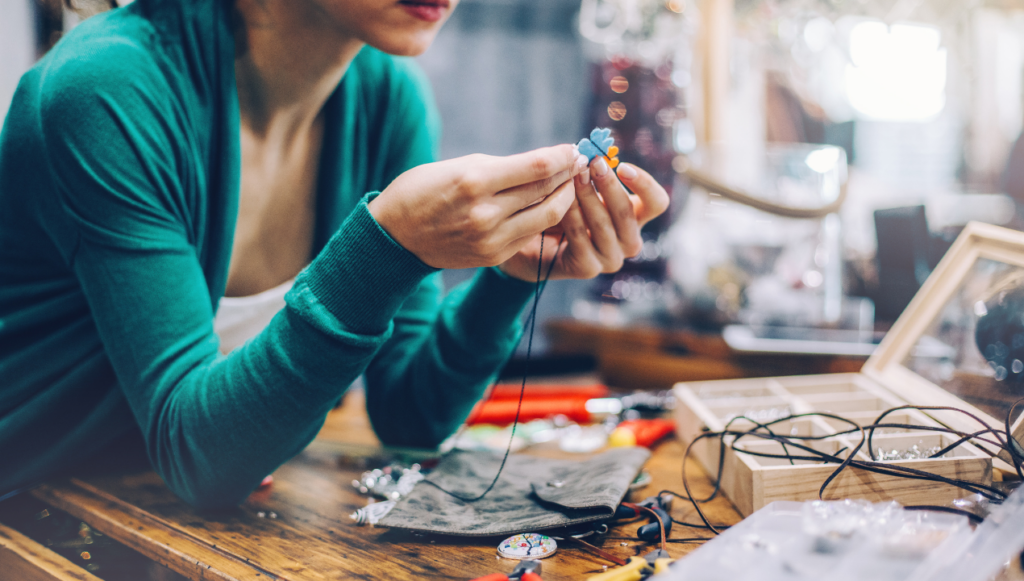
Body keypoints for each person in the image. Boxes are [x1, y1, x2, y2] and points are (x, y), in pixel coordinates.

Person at [0, 0, 669, 508]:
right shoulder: (106, 91)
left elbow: (409, 413)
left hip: (149, 516)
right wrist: (385, 249)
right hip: (32, 516)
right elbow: (200, 456)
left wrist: (513, 273)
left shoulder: (387, 96)